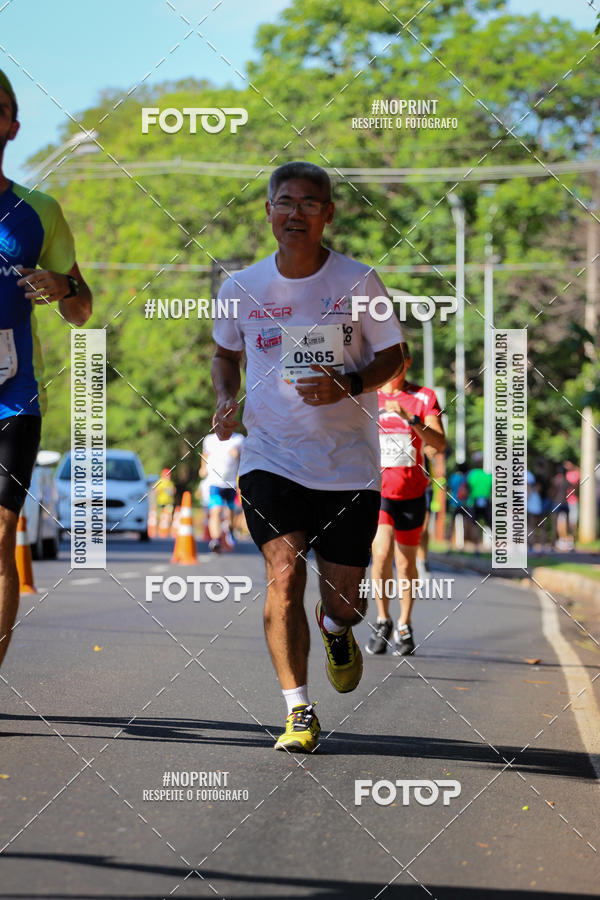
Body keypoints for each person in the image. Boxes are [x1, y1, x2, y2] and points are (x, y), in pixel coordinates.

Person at [211, 161, 404, 752]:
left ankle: (337, 628)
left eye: (309, 203)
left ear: (328, 213)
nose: (295, 212)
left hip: (347, 464)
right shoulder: (238, 288)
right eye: (284, 201)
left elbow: (394, 356)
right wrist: (225, 397)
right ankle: (298, 709)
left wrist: (349, 384)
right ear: (268, 211)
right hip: (270, 458)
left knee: (344, 599)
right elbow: (224, 355)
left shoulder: (359, 281)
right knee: (284, 574)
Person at [0, 71, 92, 668]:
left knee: (0, 537)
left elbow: (81, 310)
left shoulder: (38, 211)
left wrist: (62, 285)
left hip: (11, 399)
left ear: (11, 126)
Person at [365, 345, 446, 657]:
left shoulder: (423, 397)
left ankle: (404, 624)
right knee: (381, 552)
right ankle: (383, 618)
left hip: (412, 492)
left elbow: (439, 444)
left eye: (398, 361)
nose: (392, 367)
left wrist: (411, 418)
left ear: (408, 362)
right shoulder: (368, 395)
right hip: (379, 491)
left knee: (405, 562)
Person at [201, 431, 244, 552]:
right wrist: (203, 468)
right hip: (214, 482)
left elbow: (245, 458)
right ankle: (216, 540)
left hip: (231, 483)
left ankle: (230, 530)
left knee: (230, 512)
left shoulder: (238, 439)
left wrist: (238, 456)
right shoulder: (209, 439)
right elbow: (205, 455)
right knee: (216, 510)